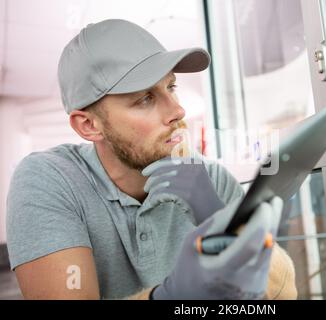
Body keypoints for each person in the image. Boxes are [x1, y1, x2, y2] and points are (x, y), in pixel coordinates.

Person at [6, 19, 297, 300]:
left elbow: (282, 293)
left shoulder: (208, 177)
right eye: (144, 98)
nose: (178, 110)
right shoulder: (49, 180)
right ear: (89, 126)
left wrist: (218, 217)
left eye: (170, 87)